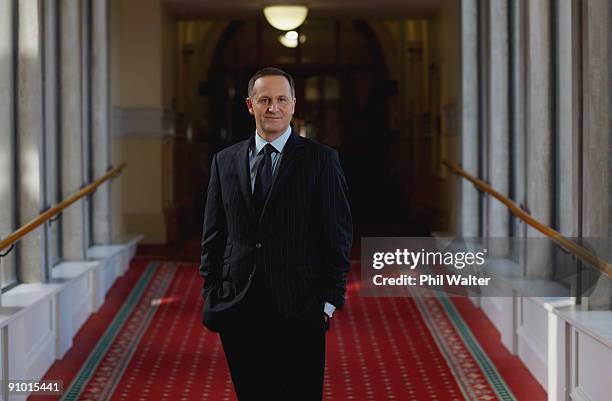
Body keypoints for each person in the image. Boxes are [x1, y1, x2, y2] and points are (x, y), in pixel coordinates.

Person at [199, 67, 353, 401]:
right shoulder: (224, 162)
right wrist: (212, 291)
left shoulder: (321, 160)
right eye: (264, 99)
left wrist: (327, 303)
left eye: (281, 99)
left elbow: (337, 236)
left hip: (301, 306)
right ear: (250, 105)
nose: (273, 107)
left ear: (294, 105)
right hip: (239, 304)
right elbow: (214, 234)